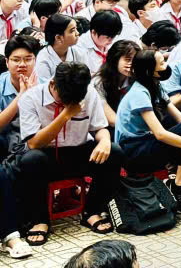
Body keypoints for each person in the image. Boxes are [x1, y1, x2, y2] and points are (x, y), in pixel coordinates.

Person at [17, 61, 123, 245]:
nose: (70, 103)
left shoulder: (89, 93)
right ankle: (39, 220)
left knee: (114, 152)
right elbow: (33, 143)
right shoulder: (30, 98)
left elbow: (99, 127)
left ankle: (92, 211)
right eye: (64, 99)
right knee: (30, 160)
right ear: (52, 84)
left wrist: (105, 140)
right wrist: (66, 114)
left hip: (78, 151)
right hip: (46, 155)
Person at [113, 48, 181, 216]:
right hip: (134, 152)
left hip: (148, 142)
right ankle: (179, 188)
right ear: (149, 71)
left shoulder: (155, 86)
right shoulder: (139, 93)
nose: (166, 66)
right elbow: (160, 134)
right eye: (161, 63)